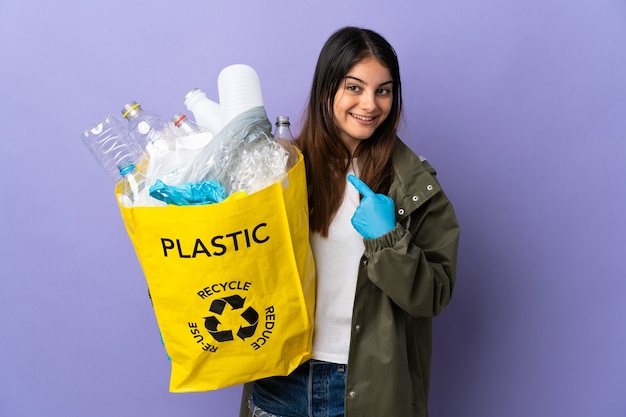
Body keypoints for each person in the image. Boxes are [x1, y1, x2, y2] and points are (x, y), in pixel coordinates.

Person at [240, 26, 460, 417]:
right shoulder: (280, 169)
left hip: (366, 386)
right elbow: (242, 262)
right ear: (327, 89)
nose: (370, 104)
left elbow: (431, 297)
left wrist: (388, 240)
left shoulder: (413, 187)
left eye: (383, 90)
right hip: (279, 378)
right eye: (354, 87)